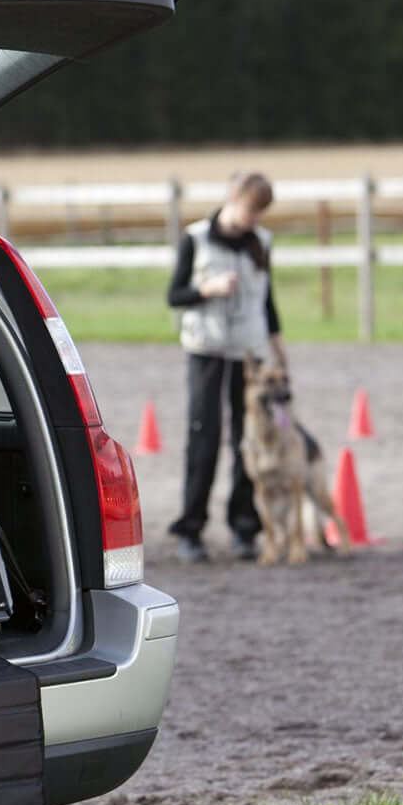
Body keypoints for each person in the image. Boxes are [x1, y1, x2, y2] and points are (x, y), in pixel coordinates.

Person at [166, 172, 287, 563]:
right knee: (204, 438)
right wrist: (208, 289)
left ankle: (244, 529)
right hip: (207, 351)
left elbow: (267, 300)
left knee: (246, 440)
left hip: (248, 355)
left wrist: (278, 349)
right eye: (252, 209)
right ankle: (191, 529)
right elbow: (174, 295)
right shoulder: (196, 239)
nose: (255, 219)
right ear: (233, 198)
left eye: (260, 213)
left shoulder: (261, 242)